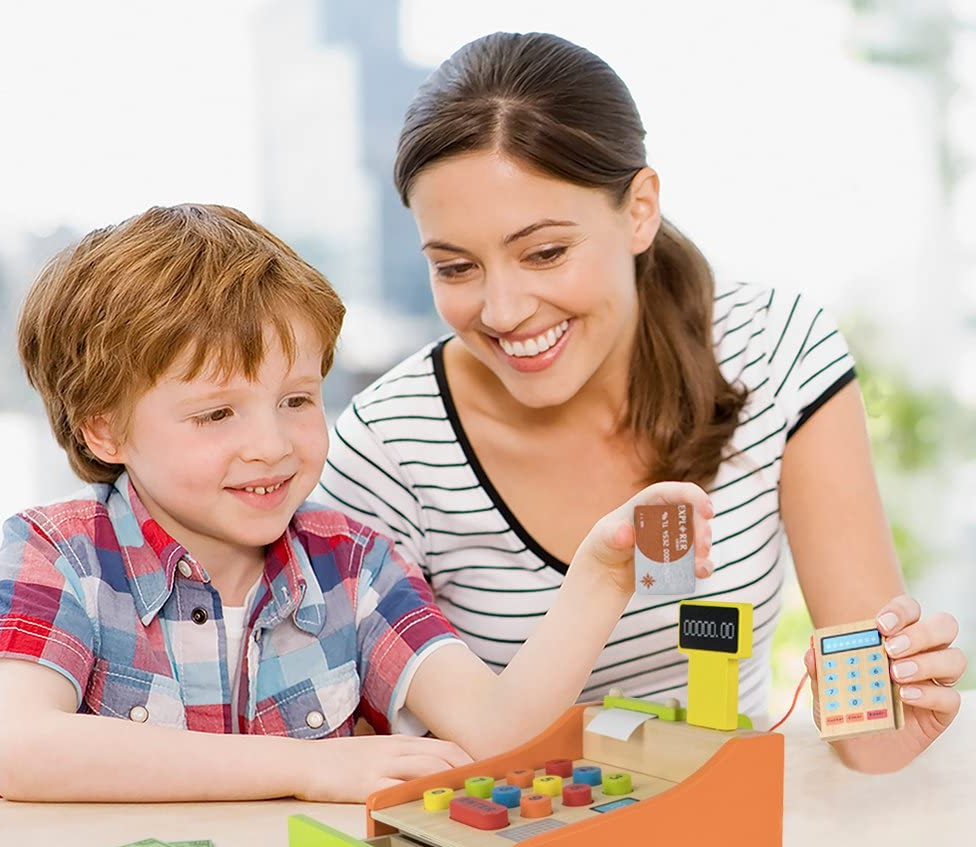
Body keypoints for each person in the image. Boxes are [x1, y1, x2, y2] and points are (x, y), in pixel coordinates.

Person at [318, 32, 966, 774]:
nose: (503, 310)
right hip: (518, 827)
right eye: (457, 267)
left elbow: (870, 731)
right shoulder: (387, 447)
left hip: (728, 816)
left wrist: (892, 724)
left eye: (545, 253)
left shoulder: (775, 350)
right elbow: (365, 745)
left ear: (639, 210)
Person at [0, 203, 713, 804]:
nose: (272, 445)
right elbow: (26, 751)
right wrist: (307, 768)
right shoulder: (56, 552)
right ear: (104, 429)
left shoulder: (354, 565)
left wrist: (599, 576)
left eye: (297, 400)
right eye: (216, 414)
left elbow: (495, 733)